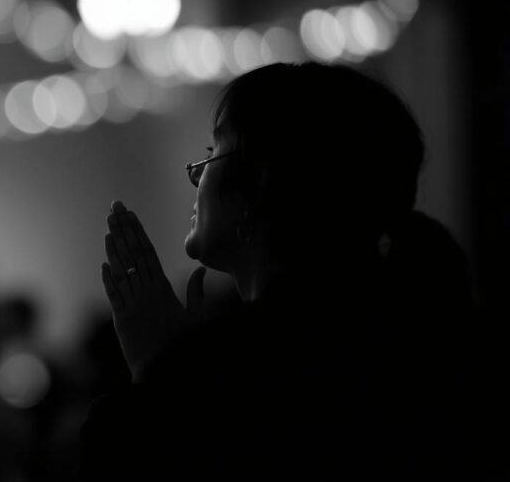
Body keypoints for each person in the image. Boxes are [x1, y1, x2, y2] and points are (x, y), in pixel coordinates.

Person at [80, 62, 506, 480]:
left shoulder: (264, 370)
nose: (196, 175)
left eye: (214, 152)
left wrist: (159, 370)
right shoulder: (403, 338)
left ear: (259, 185)